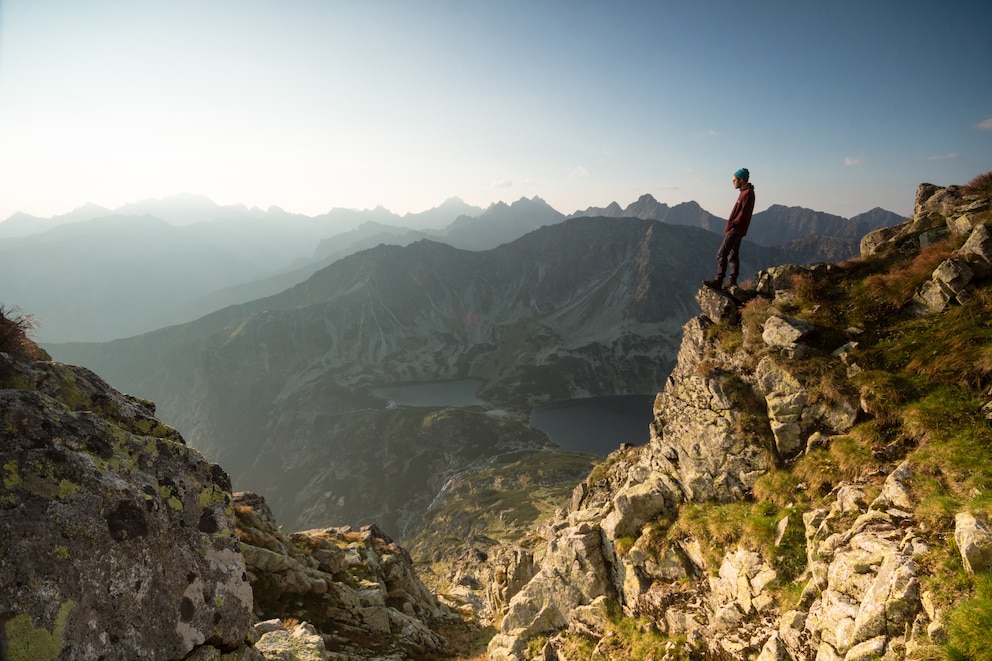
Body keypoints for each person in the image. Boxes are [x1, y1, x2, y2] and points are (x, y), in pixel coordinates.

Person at [704, 168, 755, 290]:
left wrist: (732, 225)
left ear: (741, 180)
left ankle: (719, 280)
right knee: (732, 255)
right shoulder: (744, 192)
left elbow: (743, 213)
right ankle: (732, 280)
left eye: (734, 180)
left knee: (721, 254)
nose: (733, 182)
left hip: (736, 229)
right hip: (738, 229)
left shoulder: (747, 193)